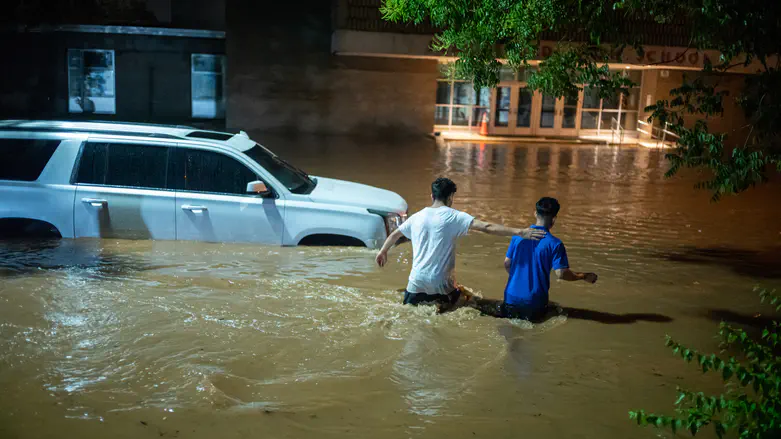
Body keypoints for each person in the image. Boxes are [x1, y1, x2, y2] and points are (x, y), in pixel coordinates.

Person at [375, 177, 546, 312]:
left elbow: (395, 234)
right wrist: (520, 232)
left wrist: (383, 251)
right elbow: (486, 227)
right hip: (440, 285)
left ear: (432, 196)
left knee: (410, 313)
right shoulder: (453, 216)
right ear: (450, 197)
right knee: (466, 301)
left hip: (416, 281)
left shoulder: (417, 216)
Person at [470, 197, 598, 321]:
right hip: (534, 303)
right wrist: (582, 276)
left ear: (535, 213)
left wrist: (521, 277)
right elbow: (561, 274)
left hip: (510, 298)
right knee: (554, 311)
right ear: (554, 219)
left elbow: (507, 264)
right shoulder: (555, 244)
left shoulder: (517, 237)